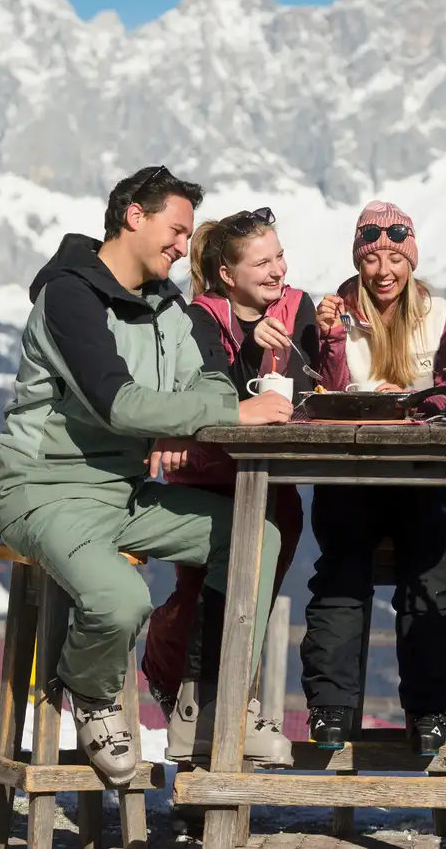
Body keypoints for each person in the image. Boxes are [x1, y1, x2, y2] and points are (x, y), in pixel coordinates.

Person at [0, 166, 293, 784]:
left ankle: (205, 699)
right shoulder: (70, 298)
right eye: (177, 231)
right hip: (44, 494)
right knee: (122, 599)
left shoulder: (167, 306)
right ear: (135, 215)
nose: (185, 247)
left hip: (122, 494)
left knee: (255, 534)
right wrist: (230, 412)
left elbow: (207, 372)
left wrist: (205, 403)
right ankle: (93, 692)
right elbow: (118, 404)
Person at [142, 207, 318, 770]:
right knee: (210, 599)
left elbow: (314, 383)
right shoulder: (199, 316)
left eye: (279, 256)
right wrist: (246, 337)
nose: (277, 270)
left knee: (253, 604)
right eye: (261, 262)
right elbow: (214, 385)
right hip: (209, 478)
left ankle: (217, 710)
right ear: (227, 274)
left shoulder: (300, 305)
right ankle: (202, 706)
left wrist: (311, 345)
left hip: (273, 480)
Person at [300, 200, 446, 756]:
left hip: (421, 472)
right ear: (359, 263)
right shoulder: (336, 314)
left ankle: (429, 712)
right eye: (372, 260)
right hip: (348, 470)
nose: (384, 271)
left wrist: (417, 408)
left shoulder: (441, 313)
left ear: (411, 259)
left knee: (429, 580)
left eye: (395, 257)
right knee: (340, 576)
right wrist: (325, 339)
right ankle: (330, 709)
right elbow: (319, 394)